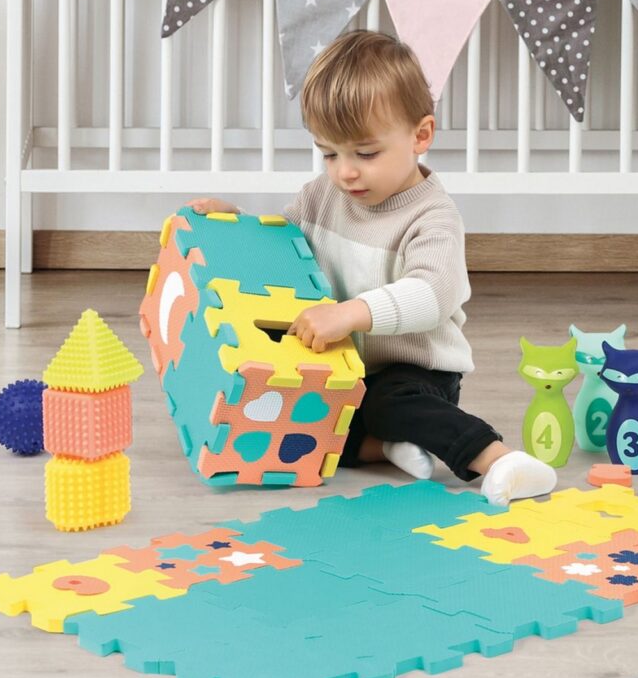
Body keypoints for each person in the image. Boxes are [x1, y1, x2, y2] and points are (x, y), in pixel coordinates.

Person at [187, 29, 557, 505]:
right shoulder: (322, 195)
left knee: (389, 402)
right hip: (341, 368)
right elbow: (284, 253)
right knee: (299, 425)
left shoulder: (432, 217)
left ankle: (497, 458)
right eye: (329, 153)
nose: (345, 171)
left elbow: (432, 294)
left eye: (365, 153)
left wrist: (352, 313)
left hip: (415, 372)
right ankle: (386, 448)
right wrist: (237, 224)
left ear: (420, 135)